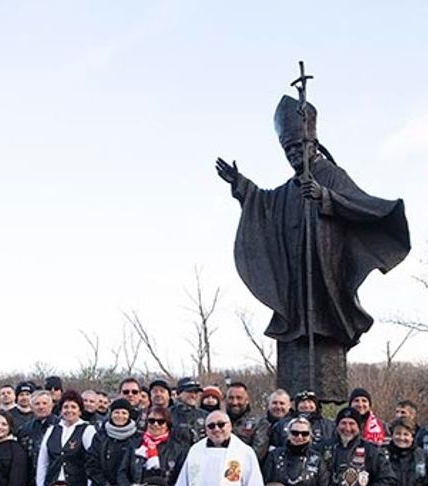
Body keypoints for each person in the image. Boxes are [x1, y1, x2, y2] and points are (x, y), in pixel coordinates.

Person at [215, 93, 409, 397]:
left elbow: (360, 206)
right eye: (288, 150)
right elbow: (267, 203)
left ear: (313, 145)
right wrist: (241, 186)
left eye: (298, 148)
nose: (293, 155)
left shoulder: (332, 175)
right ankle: (294, 393)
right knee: (296, 330)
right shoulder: (291, 186)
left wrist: (325, 197)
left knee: (324, 327)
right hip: (295, 275)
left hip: (325, 270)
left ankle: (326, 396)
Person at [35, 390, 96, 486]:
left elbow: (93, 462)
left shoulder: (87, 430)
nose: (69, 410)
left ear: (79, 410)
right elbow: (43, 462)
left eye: (73, 407)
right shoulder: (52, 430)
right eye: (66, 407)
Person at [18, 390, 58, 486]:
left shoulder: (61, 426)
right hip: (31, 484)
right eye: (37, 404)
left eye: (44, 403)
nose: (41, 407)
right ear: (31, 406)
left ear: (51, 405)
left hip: (56, 482)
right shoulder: (24, 430)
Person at [225, 382, 270, 460]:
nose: (234, 402)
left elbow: (257, 454)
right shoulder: (218, 422)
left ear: (247, 400)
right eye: (231, 398)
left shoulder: (260, 423)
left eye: (239, 398)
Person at [171, 377, 208, 446]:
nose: (193, 395)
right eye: (189, 392)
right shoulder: (168, 414)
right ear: (179, 393)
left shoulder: (205, 415)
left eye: (196, 392)